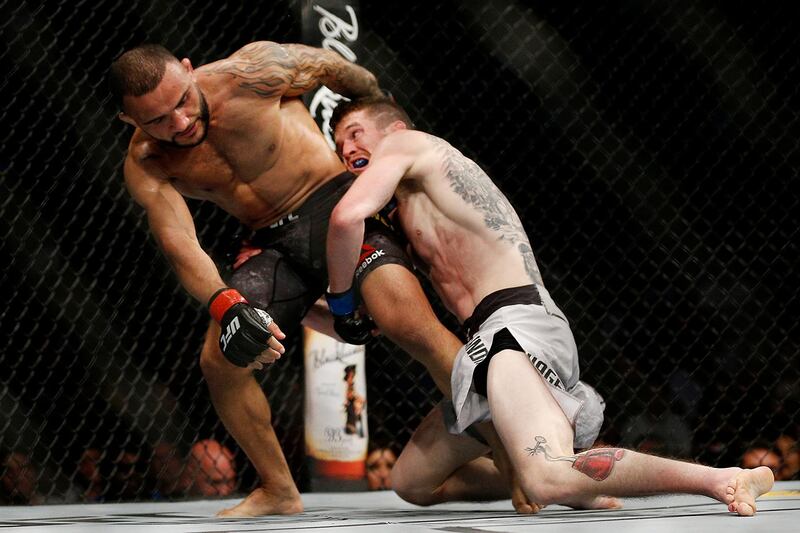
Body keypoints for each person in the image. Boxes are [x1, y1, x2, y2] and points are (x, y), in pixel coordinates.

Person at [326, 96, 775, 516]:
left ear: (395, 128)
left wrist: (343, 303)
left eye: (356, 132)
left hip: (515, 326)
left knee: (547, 477)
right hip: (485, 347)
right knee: (412, 482)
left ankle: (724, 478)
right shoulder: (409, 207)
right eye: (339, 142)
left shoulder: (407, 144)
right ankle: (576, 477)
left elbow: (346, 217)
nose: (348, 147)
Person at [109, 42, 465, 516]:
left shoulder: (251, 74)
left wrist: (389, 149)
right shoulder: (147, 162)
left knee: (409, 323)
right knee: (220, 359)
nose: (178, 122)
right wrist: (225, 304)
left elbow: (345, 72)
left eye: (182, 101)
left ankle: (517, 446)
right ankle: (278, 488)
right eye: (156, 120)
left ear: (190, 71)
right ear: (128, 120)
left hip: (337, 202)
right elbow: (181, 245)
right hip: (273, 242)